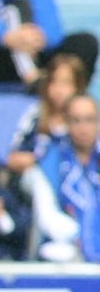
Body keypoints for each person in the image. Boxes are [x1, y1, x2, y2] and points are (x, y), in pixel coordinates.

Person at [32, 93, 100, 263]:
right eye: (76, 120)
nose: (83, 127)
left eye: (89, 120)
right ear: (66, 122)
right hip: (67, 249)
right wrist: (80, 234)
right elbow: (47, 216)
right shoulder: (49, 160)